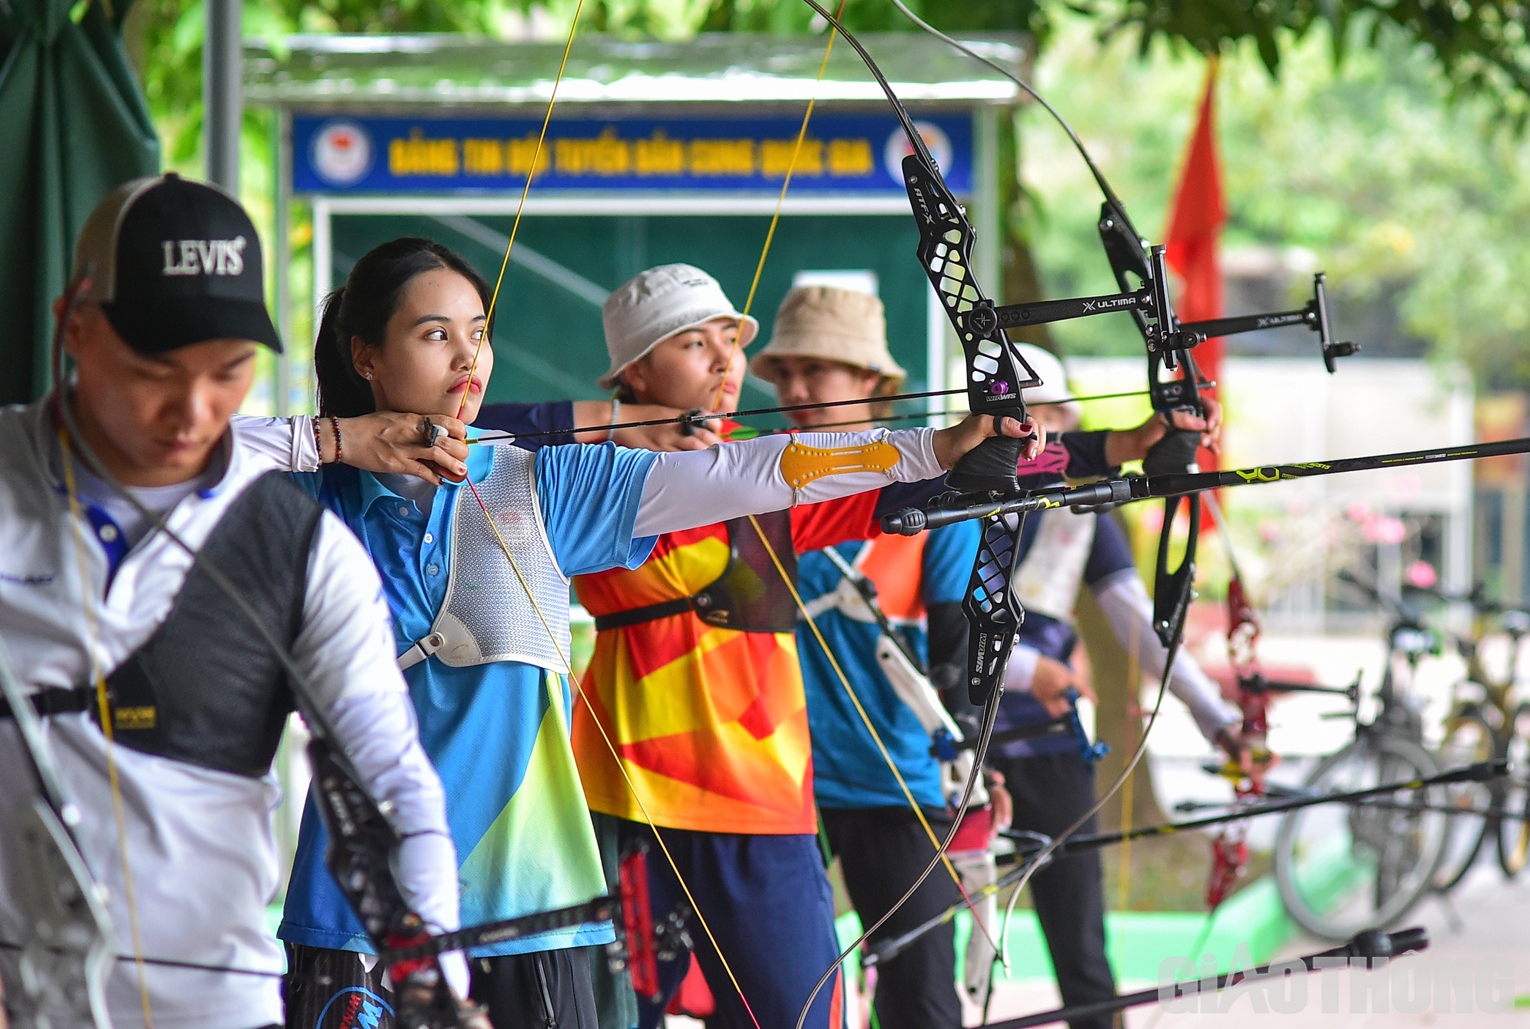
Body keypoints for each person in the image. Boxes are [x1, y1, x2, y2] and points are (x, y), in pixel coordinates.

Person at [271, 241, 1030, 1029]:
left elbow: (763, 470)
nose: (468, 357)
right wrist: (334, 441)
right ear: (366, 355)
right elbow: (168, 466)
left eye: (480, 332)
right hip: (357, 902)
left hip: (536, 902)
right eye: (436, 335)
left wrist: (936, 448)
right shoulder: (297, 498)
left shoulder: (545, 484)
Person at [0, 175, 464, 1029]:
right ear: (74, 325)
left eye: (229, 372)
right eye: (154, 371)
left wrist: (432, 960)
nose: (195, 411)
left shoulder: (300, 550)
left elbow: (391, 780)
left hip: (215, 1005)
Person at [522, 264, 1041, 1029]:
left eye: (730, 341)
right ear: (635, 369)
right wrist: (618, 421)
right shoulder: (575, 473)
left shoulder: (758, 469)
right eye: (696, 345)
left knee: (795, 1015)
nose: (727, 362)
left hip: (762, 797)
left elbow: (878, 481)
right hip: (626, 790)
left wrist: (1078, 445)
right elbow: (472, 435)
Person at [748, 287, 1223, 1028]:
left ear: (873, 381)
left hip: (894, 780)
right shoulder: (751, 475)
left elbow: (962, 624)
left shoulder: (925, 476)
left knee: (926, 1001)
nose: (798, 390)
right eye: (787, 373)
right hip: (769, 773)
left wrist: (1128, 446)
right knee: (769, 1001)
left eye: (822, 370)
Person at [984, 344, 1243, 1029]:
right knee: (938, 937)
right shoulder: (946, 499)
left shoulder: (1077, 510)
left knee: (1079, 935)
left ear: (1064, 426)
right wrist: (1027, 670)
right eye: (1007, 412)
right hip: (951, 734)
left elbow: (1137, 623)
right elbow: (931, 630)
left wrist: (1215, 717)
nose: (1025, 430)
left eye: (1039, 415)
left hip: (1046, 739)